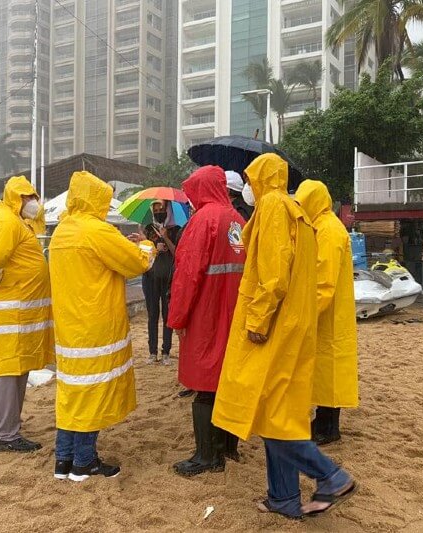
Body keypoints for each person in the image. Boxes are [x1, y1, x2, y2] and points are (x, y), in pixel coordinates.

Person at [212, 154, 356, 520]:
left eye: (248, 177)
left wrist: (258, 321)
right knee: (278, 415)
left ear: (261, 177)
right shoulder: (296, 212)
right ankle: (284, 498)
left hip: (275, 327)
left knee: (273, 417)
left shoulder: (275, 205)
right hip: (293, 327)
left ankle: (331, 475)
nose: (246, 185)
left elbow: (274, 275)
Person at [49, 171, 154, 482]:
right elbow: (136, 263)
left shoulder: (62, 230)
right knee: (92, 393)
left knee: (70, 394)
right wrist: (147, 245)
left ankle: (63, 461)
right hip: (96, 328)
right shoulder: (96, 230)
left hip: (69, 328)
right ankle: (85, 462)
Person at [168, 165, 246, 477]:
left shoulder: (202, 221)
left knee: (204, 388)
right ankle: (229, 448)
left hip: (206, 315)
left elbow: (187, 276)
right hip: (235, 313)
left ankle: (206, 457)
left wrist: (177, 318)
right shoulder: (237, 220)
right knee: (229, 383)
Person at [0, 175, 54, 453]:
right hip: (14, 310)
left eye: (34, 197)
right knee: (10, 370)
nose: (34, 203)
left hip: (12, 308)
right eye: (28, 197)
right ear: (16, 198)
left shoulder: (9, 219)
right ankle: (6, 435)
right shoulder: (7, 222)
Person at [295, 179, 359, 446]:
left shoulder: (329, 230)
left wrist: (308, 312)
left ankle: (328, 427)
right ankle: (323, 421)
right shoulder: (320, 226)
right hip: (327, 311)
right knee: (323, 370)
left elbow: (324, 279)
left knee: (329, 371)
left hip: (328, 312)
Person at [141, 200, 180, 365]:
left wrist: (165, 238)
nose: (158, 211)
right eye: (155, 209)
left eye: (161, 208)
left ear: (168, 209)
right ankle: (152, 352)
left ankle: (166, 352)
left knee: (167, 316)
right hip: (150, 278)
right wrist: (152, 246)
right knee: (152, 315)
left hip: (168, 279)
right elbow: (143, 251)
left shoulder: (175, 230)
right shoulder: (148, 229)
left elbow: (178, 253)